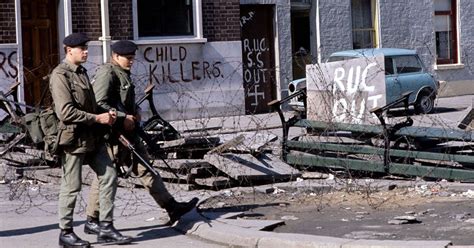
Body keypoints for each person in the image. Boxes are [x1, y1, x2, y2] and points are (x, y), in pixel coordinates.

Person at [83, 40, 198, 235]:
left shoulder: (121, 72)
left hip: (129, 133)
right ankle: (92, 219)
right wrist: (121, 117)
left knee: (146, 169)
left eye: (132, 58)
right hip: (114, 135)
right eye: (127, 58)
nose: (131, 61)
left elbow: (123, 100)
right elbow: (98, 103)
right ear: (115, 56)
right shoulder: (107, 73)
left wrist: (135, 111)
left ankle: (171, 207)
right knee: (105, 177)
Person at [50, 33, 132, 247]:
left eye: (86, 48)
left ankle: (105, 227)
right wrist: (97, 118)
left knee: (109, 175)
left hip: (92, 137)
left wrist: (111, 115)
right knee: (72, 186)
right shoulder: (61, 75)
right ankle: (65, 232)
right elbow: (65, 112)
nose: (86, 52)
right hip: (73, 139)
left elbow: (92, 104)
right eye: (81, 49)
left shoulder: (82, 72)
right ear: (69, 51)